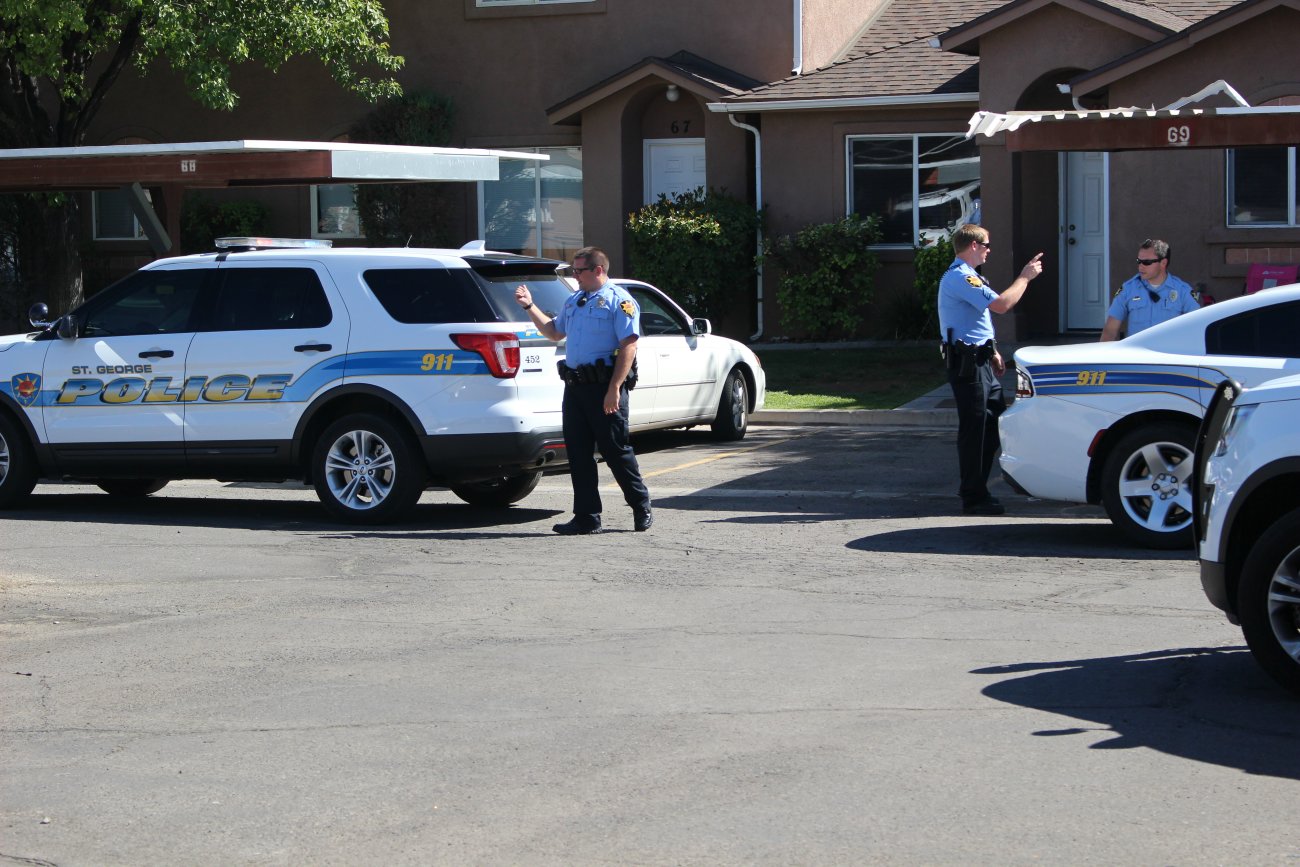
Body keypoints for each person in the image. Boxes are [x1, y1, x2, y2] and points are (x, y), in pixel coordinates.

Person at [514, 246, 652, 535]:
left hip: (604, 387)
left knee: (615, 451)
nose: (574, 276)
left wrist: (614, 388)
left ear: (597, 270)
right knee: (578, 453)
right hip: (576, 388)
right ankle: (587, 516)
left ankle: (640, 505)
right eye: (573, 271)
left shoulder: (619, 301)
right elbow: (553, 332)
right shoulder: (575, 300)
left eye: (578, 271)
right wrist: (529, 306)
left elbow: (629, 345)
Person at [938, 224, 1044, 516]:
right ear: (972, 245)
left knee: (992, 426)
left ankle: (977, 488)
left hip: (980, 359)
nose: (989, 250)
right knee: (976, 431)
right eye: (986, 244)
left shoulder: (970, 277)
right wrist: (1025, 277)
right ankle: (973, 496)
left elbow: (975, 319)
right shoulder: (961, 277)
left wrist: (993, 348)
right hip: (968, 365)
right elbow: (1001, 305)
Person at [1099, 239, 1198, 341]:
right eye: (1139, 261)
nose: (1141, 266)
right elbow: (1110, 331)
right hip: (1138, 353)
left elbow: (1197, 326)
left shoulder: (1182, 291)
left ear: (1163, 263)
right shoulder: (1128, 289)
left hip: (1168, 354)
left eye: (1146, 262)